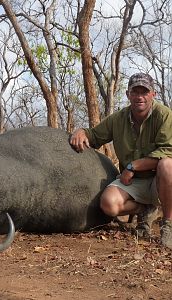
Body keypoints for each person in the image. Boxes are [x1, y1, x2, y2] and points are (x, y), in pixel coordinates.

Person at [70, 72, 172, 249]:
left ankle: (168, 225)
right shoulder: (118, 118)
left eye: (144, 92)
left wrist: (134, 166)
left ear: (153, 94)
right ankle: (145, 209)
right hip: (134, 182)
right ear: (128, 94)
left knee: (167, 164)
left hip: (159, 180)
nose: (139, 97)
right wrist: (81, 132)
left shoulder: (164, 115)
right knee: (108, 204)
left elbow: (168, 150)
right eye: (135, 92)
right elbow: (94, 136)